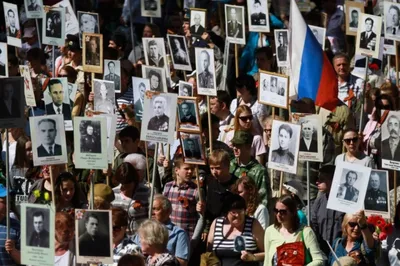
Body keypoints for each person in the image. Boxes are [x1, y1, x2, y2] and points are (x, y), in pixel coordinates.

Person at [264, 195, 325, 266]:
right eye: (276, 211)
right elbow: (267, 261)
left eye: (282, 212)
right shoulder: (270, 231)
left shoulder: (306, 232)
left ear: (292, 212)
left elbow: (319, 260)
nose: (278, 214)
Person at [207, 193, 265, 265]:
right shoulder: (217, 223)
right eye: (233, 212)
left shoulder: (253, 224)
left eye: (241, 211)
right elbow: (208, 254)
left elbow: (267, 253)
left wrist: (252, 257)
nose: (237, 215)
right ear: (226, 212)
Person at [134, 194, 190, 266]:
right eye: (150, 209)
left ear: (168, 211)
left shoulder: (179, 234)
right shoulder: (143, 230)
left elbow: (182, 263)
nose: (152, 212)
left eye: (155, 209)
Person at [311, 165, 345, 257]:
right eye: (318, 178)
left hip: (340, 253)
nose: (317, 182)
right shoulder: (318, 202)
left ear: (334, 180)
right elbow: (314, 227)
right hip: (322, 252)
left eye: (322, 179)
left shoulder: (345, 203)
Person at [229, 130, 269, 207]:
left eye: (239, 145)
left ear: (248, 147)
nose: (235, 148)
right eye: (234, 145)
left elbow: (264, 200)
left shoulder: (259, 171)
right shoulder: (230, 165)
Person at [111, 163, 150, 234]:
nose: (123, 187)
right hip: (120, 237)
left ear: (134, 181)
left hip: (140, 237)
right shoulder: (113, 193)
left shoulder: (146, 192)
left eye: (127, 184)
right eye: (121, 184)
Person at [0, 184, 22, 265]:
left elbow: (26, 261)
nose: (8, 206)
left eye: (9, 202)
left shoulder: (16, 226)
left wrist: (13, 251)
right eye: (4, 202)